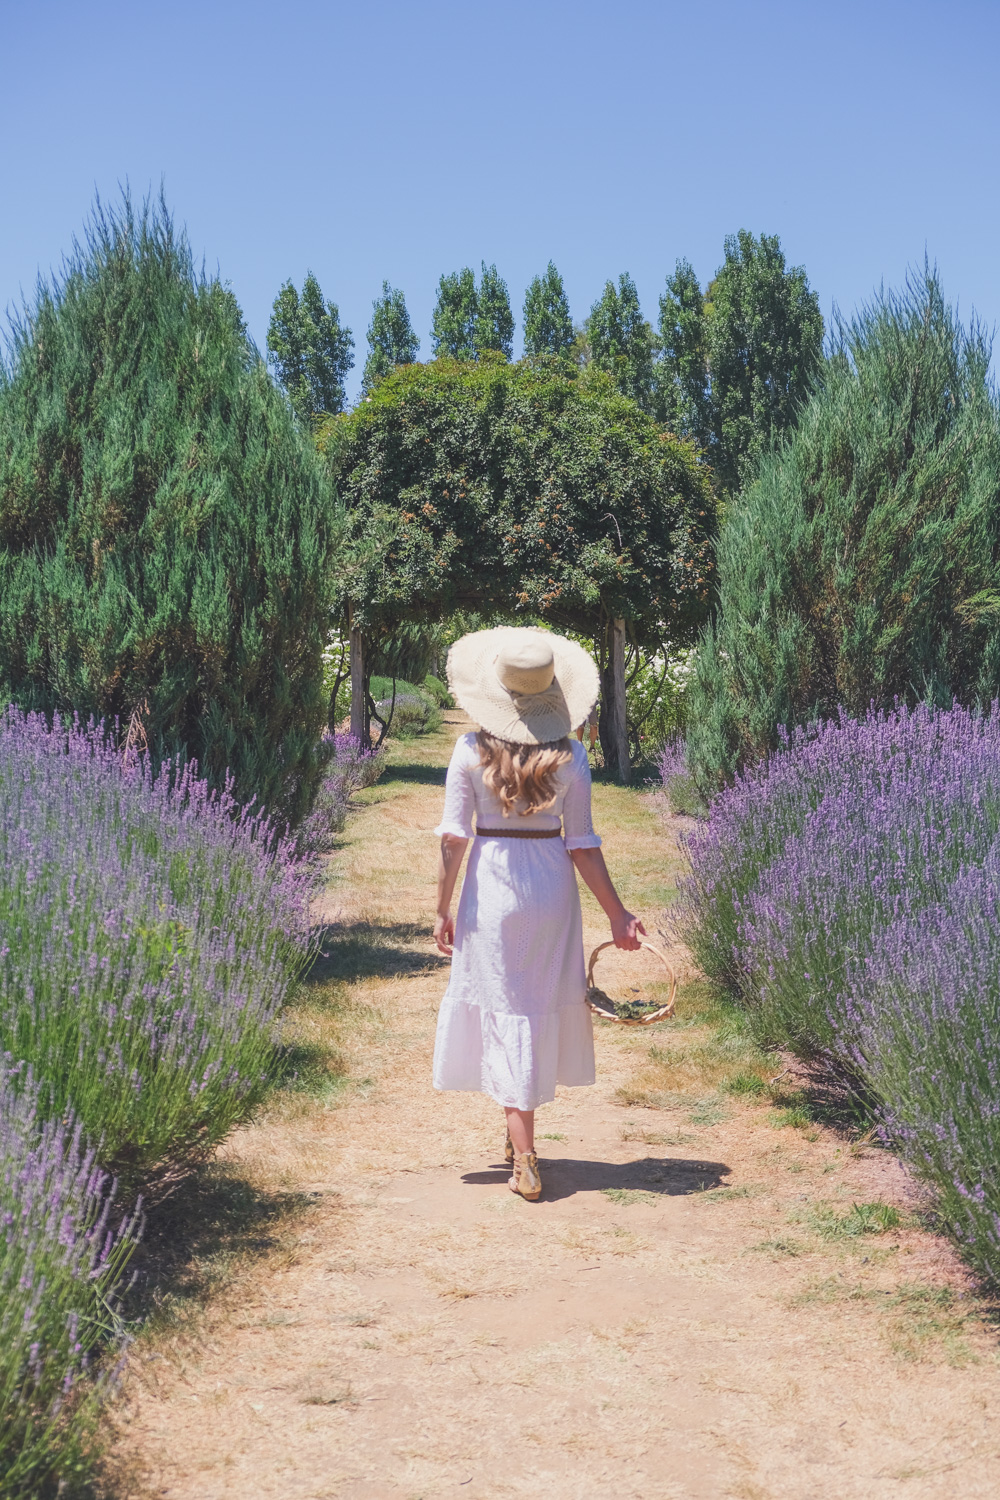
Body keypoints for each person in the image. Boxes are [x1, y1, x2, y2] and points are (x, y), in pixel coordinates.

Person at [432, 626, 646, 1201]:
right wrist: (619, 915)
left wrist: (442, 908)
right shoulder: (571, 755)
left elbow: (455, 840)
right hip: (550, 884)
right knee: (530, 1005)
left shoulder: (468, 752)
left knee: (505, 1004)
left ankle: (524, 1152)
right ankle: (517, 1131)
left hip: (493, 886)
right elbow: (583, 844)